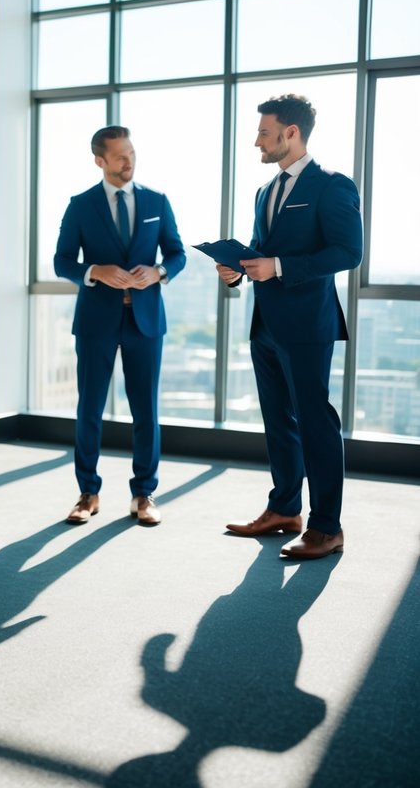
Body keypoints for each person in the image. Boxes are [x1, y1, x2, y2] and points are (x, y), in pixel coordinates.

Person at [217, 94, 362, 560]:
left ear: (291, 133)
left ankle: (327, 527)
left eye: (264, 131)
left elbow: (347, 253)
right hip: (266, 325)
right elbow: (262, 249)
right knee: (278, 421)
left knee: (315, 422)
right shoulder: (265, 191)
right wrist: (237, 269)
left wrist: (277, 266)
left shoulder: (333, 185)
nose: (256, 139)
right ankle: (284, 509)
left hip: (306, 325)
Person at [54, 125, 187, 527]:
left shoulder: (157, 201)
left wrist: (159, 271)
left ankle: (144, 494)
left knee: (145, 410)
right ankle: (87, 493)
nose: (128, 161)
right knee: (89, 409)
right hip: (96, 321)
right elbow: (62, 262)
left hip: (145, 321)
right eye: (120, 156)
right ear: (100, 161)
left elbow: (177, 253)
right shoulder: (80, 205)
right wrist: (96, 271)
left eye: (131, 153)